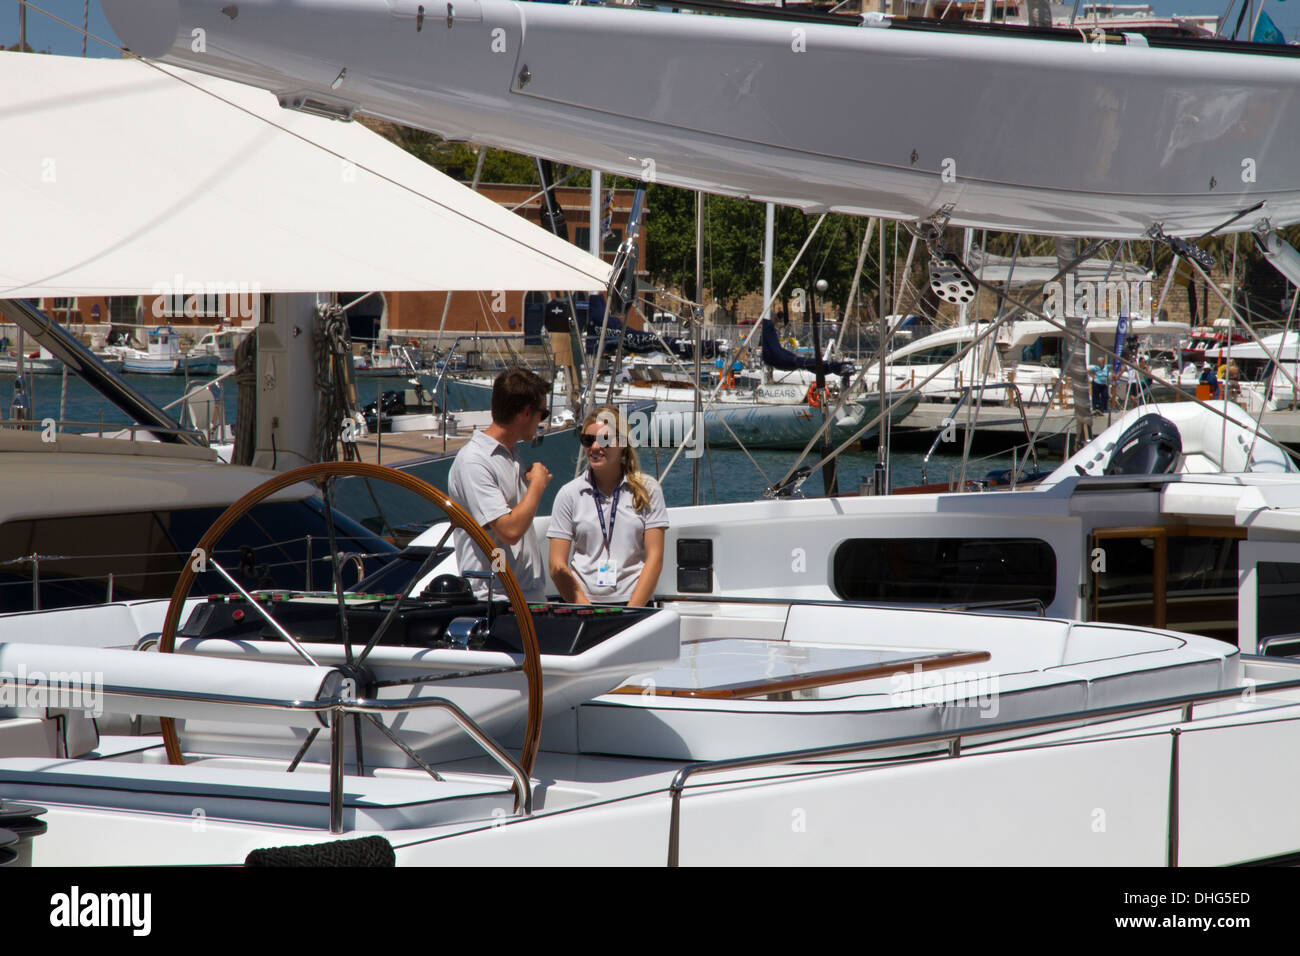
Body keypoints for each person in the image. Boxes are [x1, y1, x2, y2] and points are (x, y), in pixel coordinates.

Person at [447, 368, 552, 602]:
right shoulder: (474, 461)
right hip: (495, 600)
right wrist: (537, 485)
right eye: (542, 414)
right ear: (526, 413)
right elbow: (509, 531)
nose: (541, 422)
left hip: (524, 595)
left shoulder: (510, 455)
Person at [548, 406, 668, 606]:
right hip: (583, 606)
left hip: (634, 604)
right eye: (588, 440)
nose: (595, 447)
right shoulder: (569, 494)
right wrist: (587, 611)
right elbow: (556, 565)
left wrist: (632, 612)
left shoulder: (648, 490)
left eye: (604, 440)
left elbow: (655, 559)